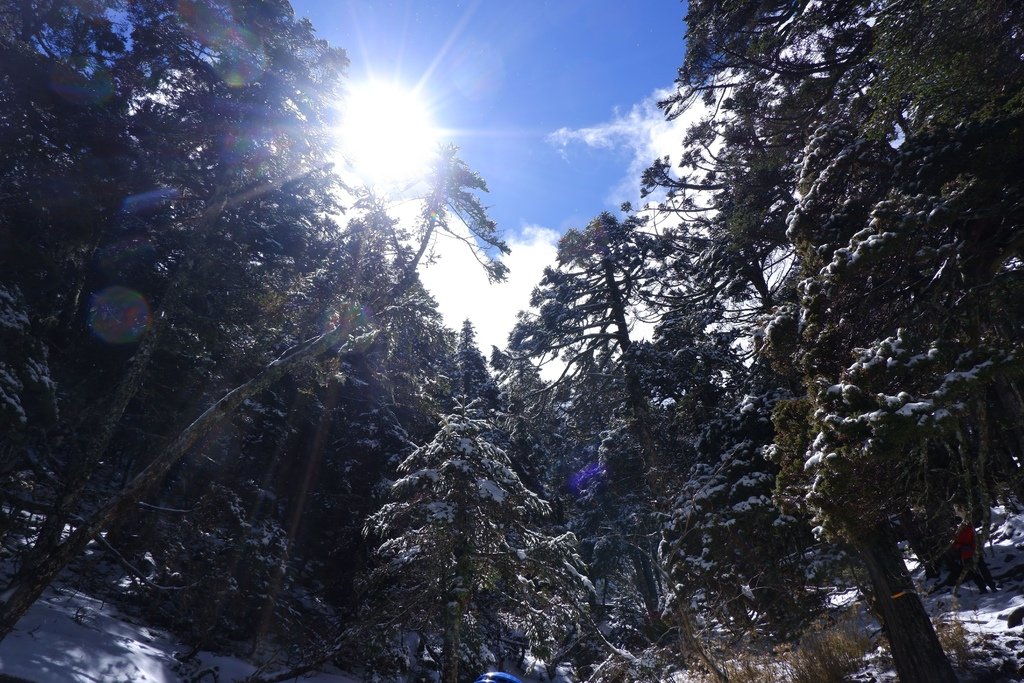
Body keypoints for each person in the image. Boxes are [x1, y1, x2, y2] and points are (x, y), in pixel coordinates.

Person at [948, 520, 997, 593]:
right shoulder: (955, 532)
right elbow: (954, 544)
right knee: (974, 573)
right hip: (966, 555)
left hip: (974, 553)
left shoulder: (969, 528)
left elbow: (975, 539)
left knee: (982, 570)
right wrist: (961, 547)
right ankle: (983, 588)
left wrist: (971, 547)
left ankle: (991, 586)